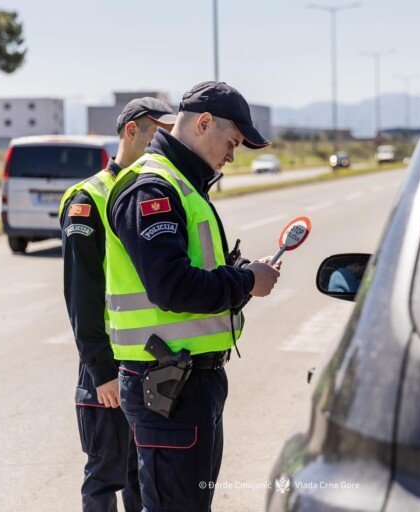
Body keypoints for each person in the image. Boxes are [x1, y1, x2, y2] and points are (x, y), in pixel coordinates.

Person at [104, 81, 281, 511]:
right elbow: (173, 286)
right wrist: (245, 282)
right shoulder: (152, 189)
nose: (232, 155)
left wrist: (240, 273)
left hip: (187, 383)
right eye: (232, 142)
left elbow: (193, 272)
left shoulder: (183, 184)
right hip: (169, 386)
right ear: (203, 124)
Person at [59, 97, 176, 512]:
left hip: (149, 362)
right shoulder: (89, 198)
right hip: (108, 366)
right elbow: (82, 295)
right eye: (158, 134)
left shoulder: (159, 190)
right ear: (131, 131)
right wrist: (102, 371)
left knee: (144, 477)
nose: (166, 143)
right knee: (105, 474)